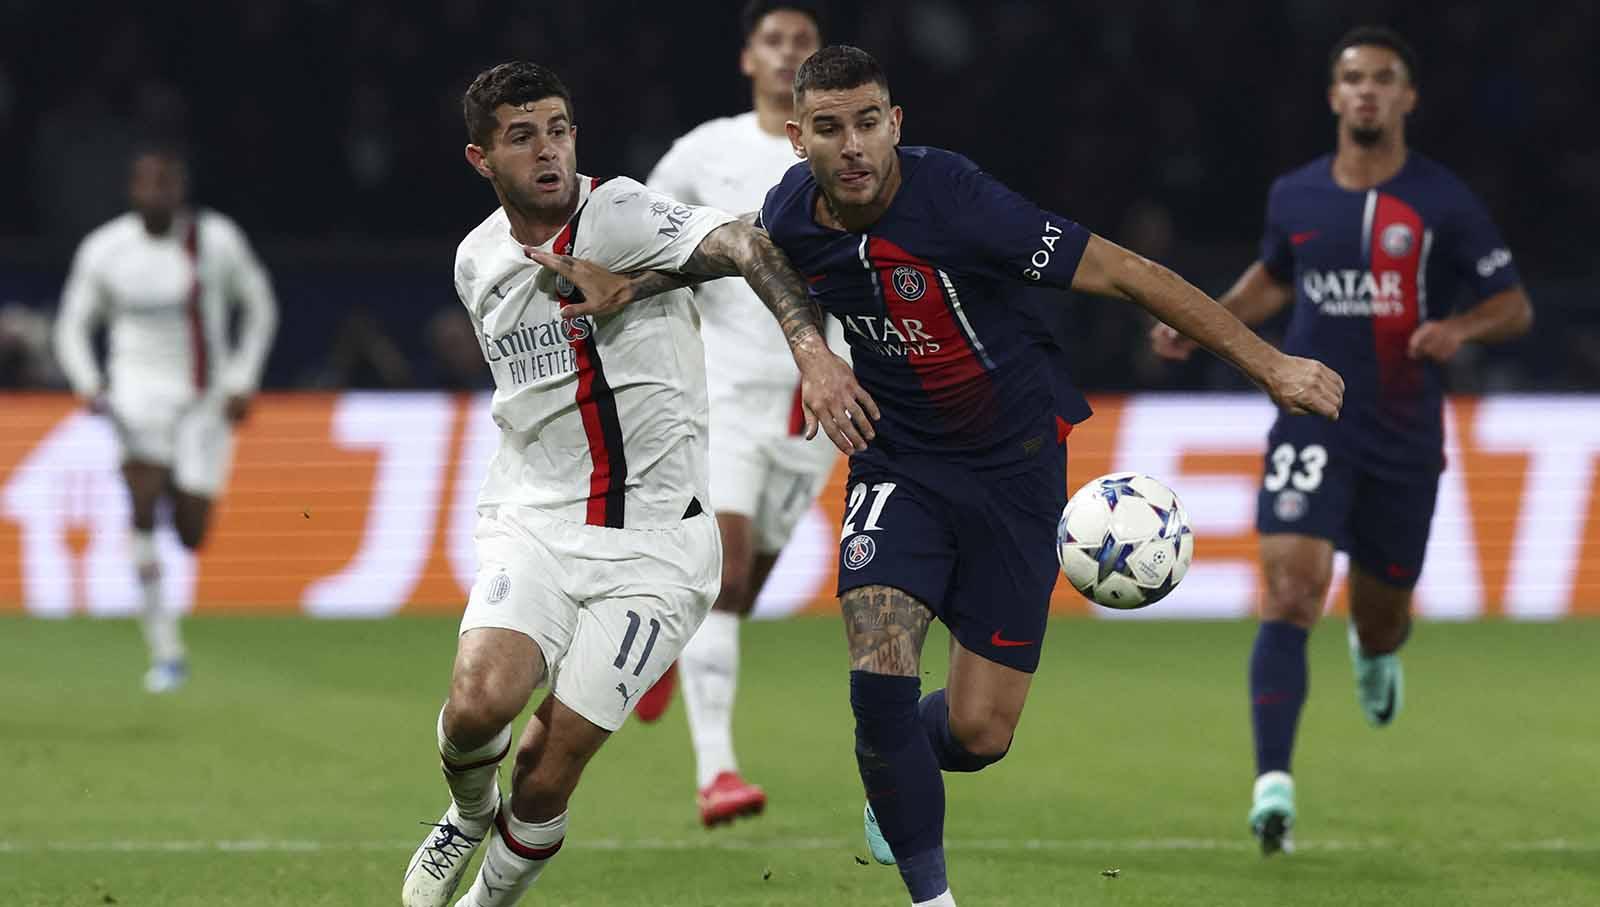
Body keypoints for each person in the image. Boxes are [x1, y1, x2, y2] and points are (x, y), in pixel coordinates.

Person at [542, 44, 1343, 907]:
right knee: (879, 664)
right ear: (795, 135)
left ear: (895, 123)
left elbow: (1125, 271)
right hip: (899, 462)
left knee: (978, 731)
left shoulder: (960, 202)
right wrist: (649, 291)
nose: (852, 145)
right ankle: (932, 894)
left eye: (868, 123)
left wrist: (1269, 365)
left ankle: (900, 769)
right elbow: (747, 255)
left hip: (1017, 470)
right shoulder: (794, 209)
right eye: (829, 128)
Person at [402, 61, 870, 907]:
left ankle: (482, 903)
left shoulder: (618, 210)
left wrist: (810, 352)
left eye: (559, 128)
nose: (548, 150)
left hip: (654, 548)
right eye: (522, 136)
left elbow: (741, 243)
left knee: (546, 775)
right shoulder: (476, 262)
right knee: (477, 704)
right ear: (482, 159)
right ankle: (467, 812)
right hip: (536, 519)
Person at [1150, 26, 1533, 856]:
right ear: (1333, 97)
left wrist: (1459, 327)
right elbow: (1274, 279)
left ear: (1407, 98)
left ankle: (1373, 648)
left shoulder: (1444, 202)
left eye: (1382, 79)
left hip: (1404, 431)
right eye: (1352, 78)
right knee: (1290, 590)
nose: (1366, 91)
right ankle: (1272, 788)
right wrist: (1201, 323)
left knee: (1382, 613)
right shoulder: (1295, 195)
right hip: (1309, 414)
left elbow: (1515, 305)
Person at [636, 0, 845, 828]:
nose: (788, 51)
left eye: (803, 41)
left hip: (817, 396)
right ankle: (717, 772)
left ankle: (659, 642)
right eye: (774, 40)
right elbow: (640, 226)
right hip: (721, 383)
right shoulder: (707, 150)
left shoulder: (849, 151)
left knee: (741, 585)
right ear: (749, 59)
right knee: (722, 570)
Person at [53, 145, 278, 693]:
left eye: (166, 183)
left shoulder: (214, 240)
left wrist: (244, 378)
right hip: (136, 396)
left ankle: (170, 498)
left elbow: (261, 304)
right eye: (147, 183)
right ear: (132, 189)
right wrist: (88, 383)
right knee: (143, 508)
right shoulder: (106, 249)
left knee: (191, 532)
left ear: (181, 190)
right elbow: (72, 325)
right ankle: (166, 651)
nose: (156, 194)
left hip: (203, 403)